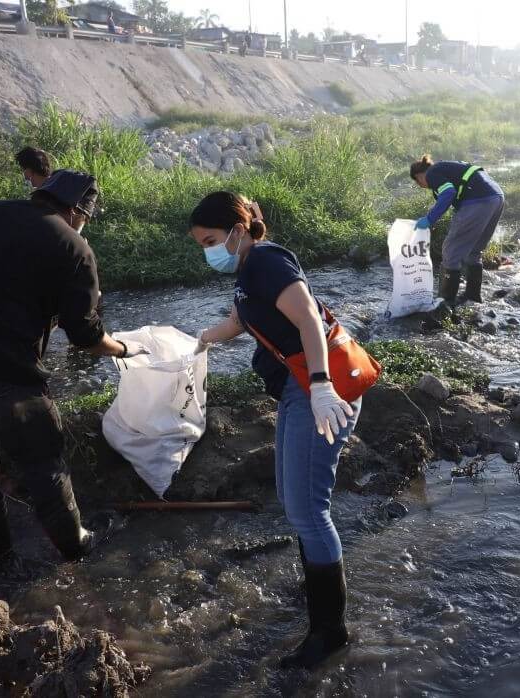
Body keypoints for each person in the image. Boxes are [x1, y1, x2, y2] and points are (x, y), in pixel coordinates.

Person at [0, 170, 148, 565]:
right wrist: (124, 349)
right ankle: (76, 549)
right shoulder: (74, 246)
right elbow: (86, 338)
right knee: (43, 457)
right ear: (77, 210)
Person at [189, 191, 360, 669]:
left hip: (315, 388)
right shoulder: (247, 271)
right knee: (293, 500)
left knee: (308, 511)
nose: (206, 251)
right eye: (200, 243)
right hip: (295, 389)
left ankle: (330, 632)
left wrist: (323, 386)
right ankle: (319, 600)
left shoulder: (266, 260)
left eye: (210, 240)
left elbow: (306, 316)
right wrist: (199, 340)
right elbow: (239, 321)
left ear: (238, 231)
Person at [409, 154, 505, 306]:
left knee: (450, 250)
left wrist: (429, 219)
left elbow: (448, 193)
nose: (421, 186)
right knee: (473, 251)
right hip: (496, 197)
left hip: (478, 201)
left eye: (418, 182)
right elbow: (453, 196)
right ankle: (473, 297)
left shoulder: (432, 173)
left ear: (419, 176)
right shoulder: (447, 168)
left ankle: (446, 302)